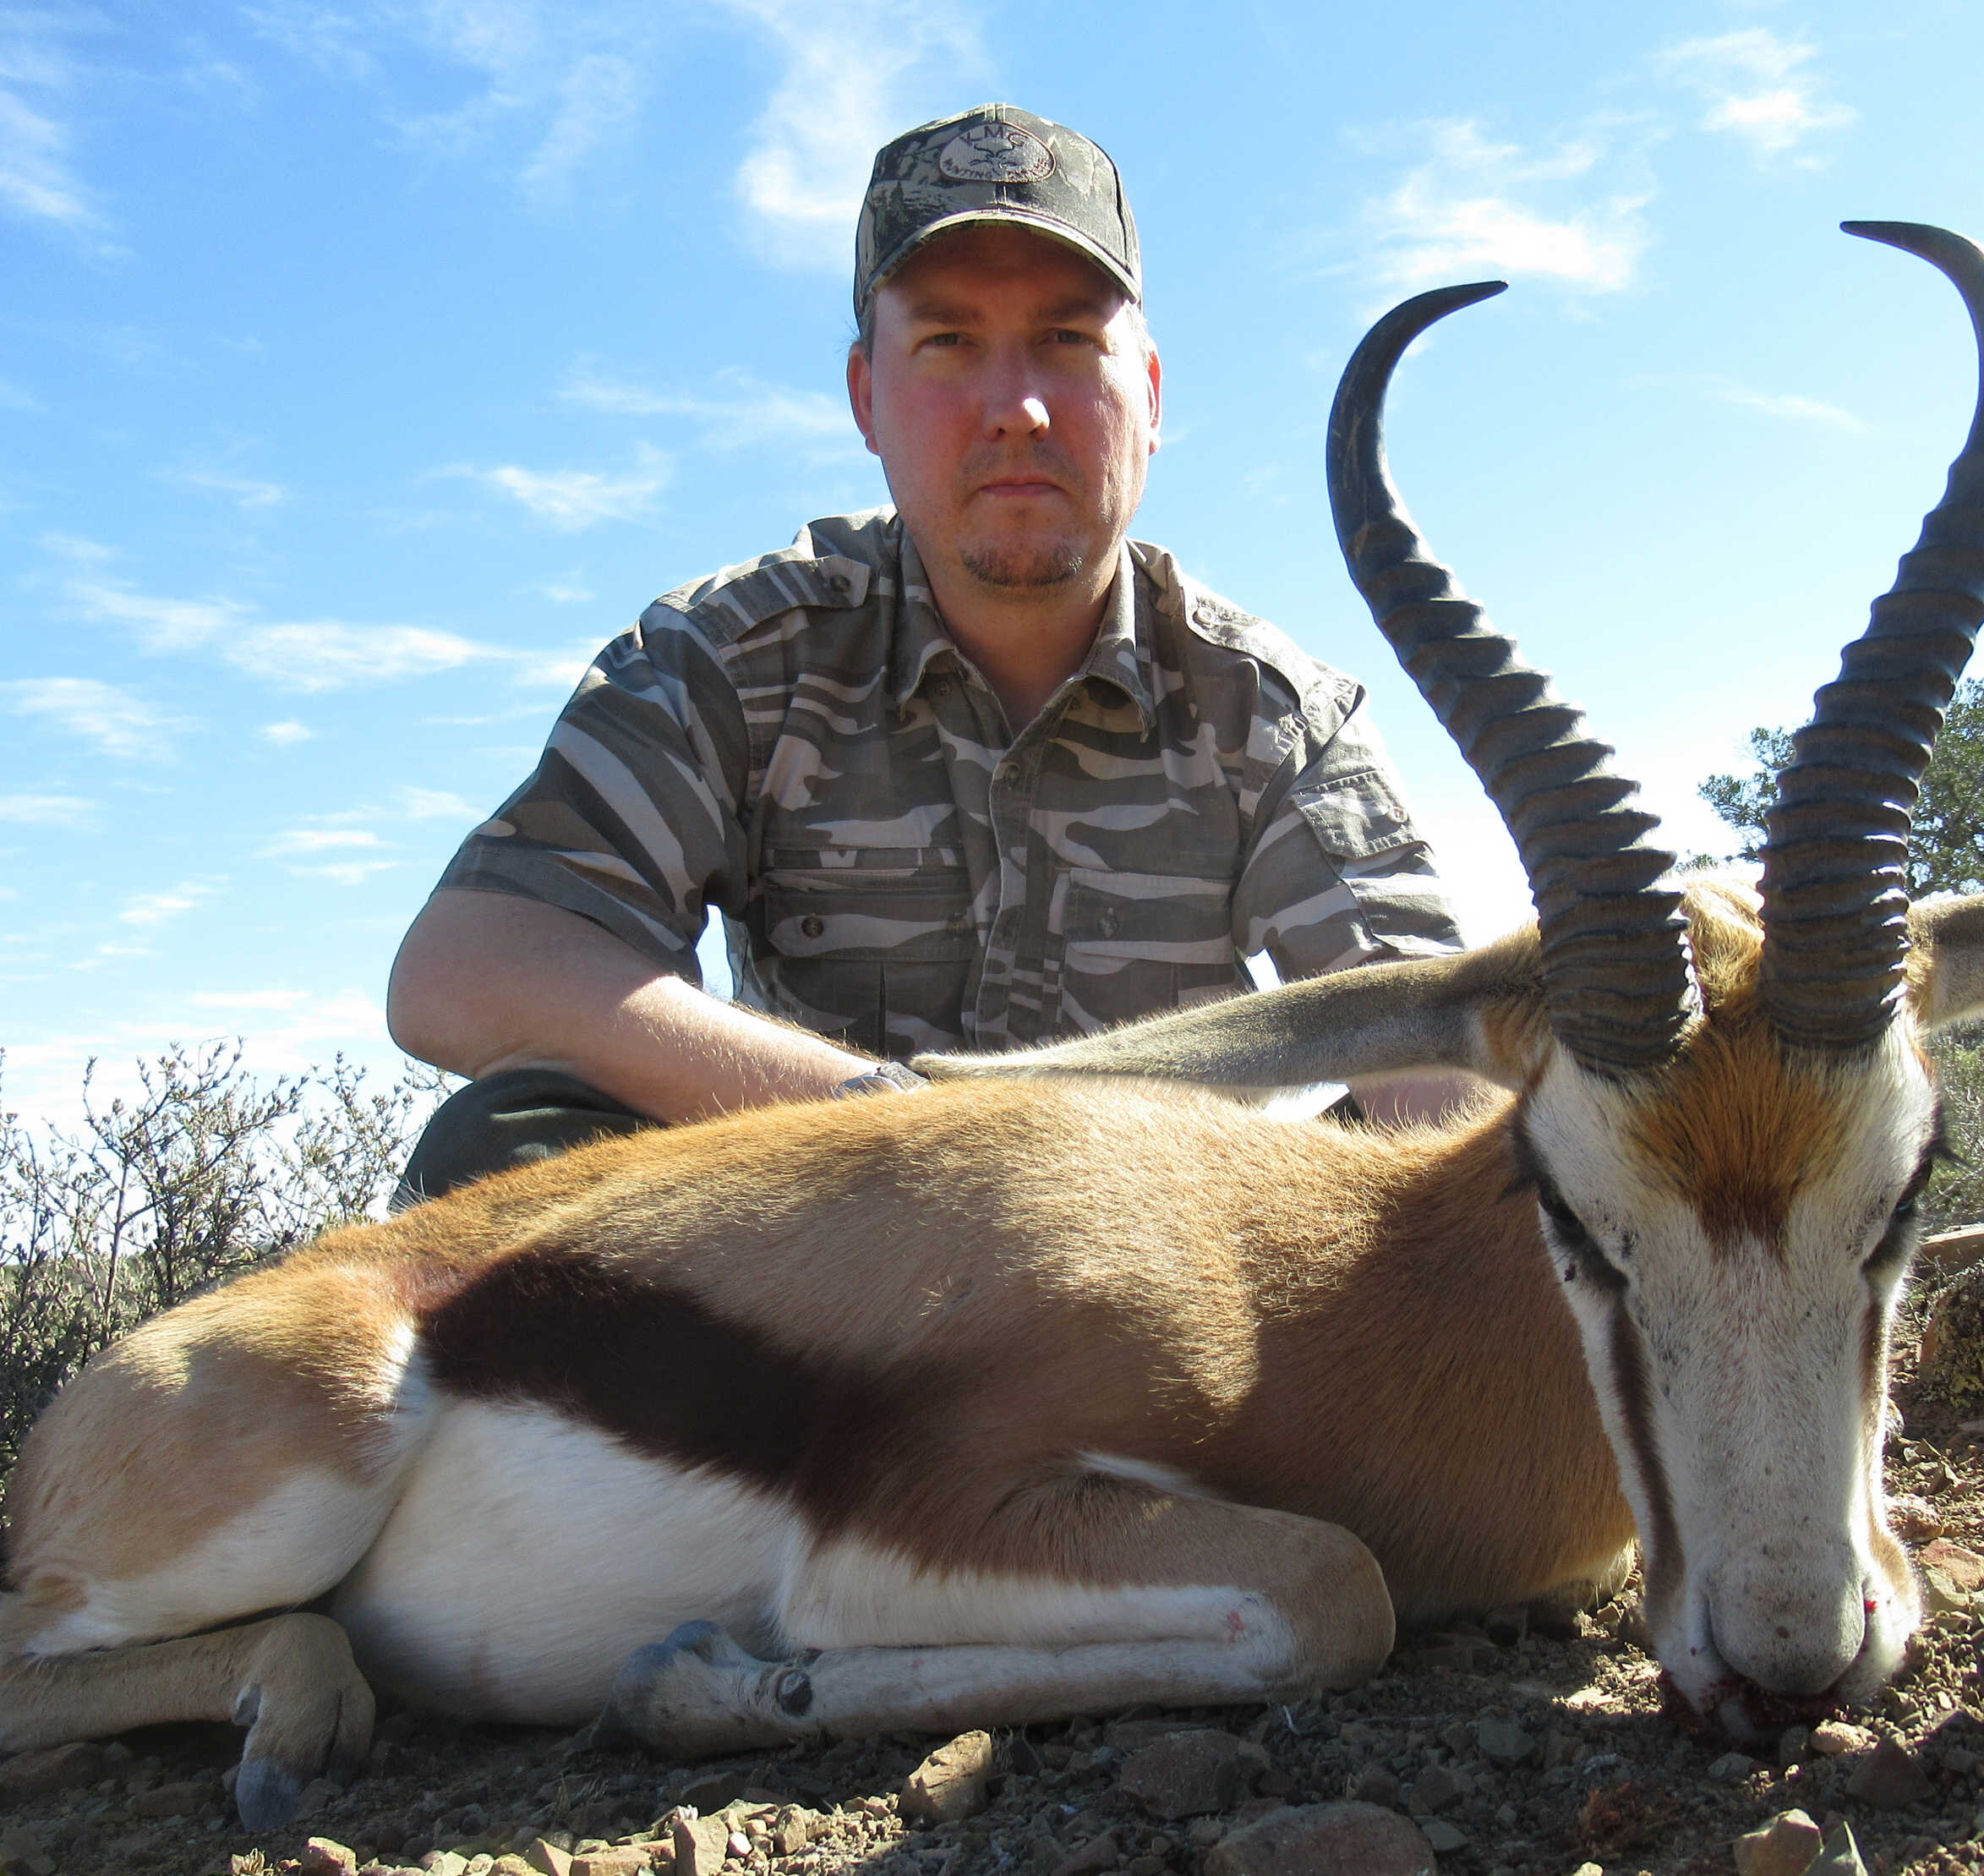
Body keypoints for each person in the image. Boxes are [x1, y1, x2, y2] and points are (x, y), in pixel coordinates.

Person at [386, 104, 1469, 1199]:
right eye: (950, 342)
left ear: (1147, 393)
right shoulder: (731, 655)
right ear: (867, 397)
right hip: (827, 1262)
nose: (1019, 410)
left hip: (1164, 1276)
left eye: (1069, 339)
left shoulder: (1270, 708)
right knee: (507, 1142)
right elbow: (468, 963)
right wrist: (900, 1130)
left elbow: (1438, 1050)